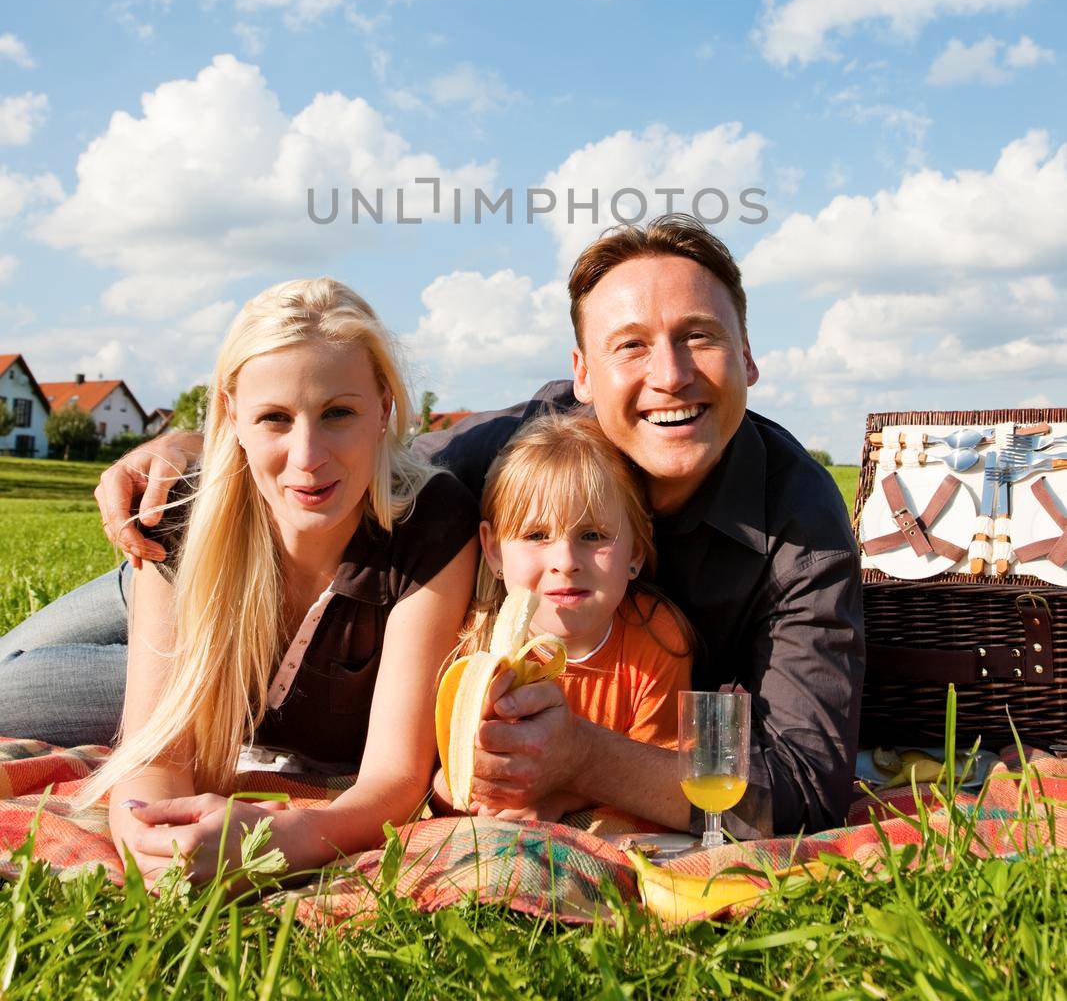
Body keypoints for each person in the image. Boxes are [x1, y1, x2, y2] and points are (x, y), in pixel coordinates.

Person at [3, 216, 864, 840]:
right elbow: (353, 447)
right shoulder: (523, 442)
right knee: (16, 667)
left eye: (700, 337)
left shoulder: (800, 524)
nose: (669, 375)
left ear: (748, 356)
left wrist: (585, 759)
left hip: (297, 649)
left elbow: (807, 785)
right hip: (209, 562)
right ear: (582, 374)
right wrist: (211, 443)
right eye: (630, 345)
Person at [77, 277, 477, 883]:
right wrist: (148, 828)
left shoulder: (431, 523)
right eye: (274, 419)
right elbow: (156, 748)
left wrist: (288, 837)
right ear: (231, 417)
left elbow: (395, 780)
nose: (307, 455)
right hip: (159, 619)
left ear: (385, 411)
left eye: (338, 413)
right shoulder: (181, 513)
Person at [436, 409, 692, 820]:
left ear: (636, 552)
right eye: (537, 536)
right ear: (494, 549)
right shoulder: (468, 642)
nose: (566, 561)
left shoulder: (658, 642)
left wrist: (555, 798)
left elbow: (657, 780)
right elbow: (438, 784)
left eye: (592, 536)